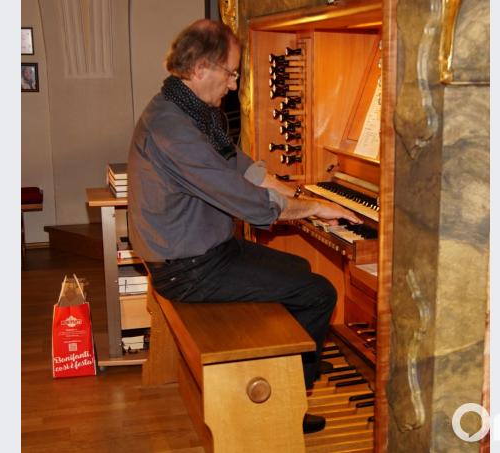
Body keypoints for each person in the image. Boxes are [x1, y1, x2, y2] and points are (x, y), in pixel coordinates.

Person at [126, 19, 361, 434]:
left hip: (204, 252)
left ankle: (286, 362)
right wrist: (310, 208)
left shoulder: (185, 107)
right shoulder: (173, 129)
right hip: (188, 269)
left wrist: (286, 186)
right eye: (231, 73)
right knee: (319, 293)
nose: (234, 85)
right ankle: (288, 402)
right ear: (200, 68)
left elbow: (231, 161)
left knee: (299, 273)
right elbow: (245, 202)